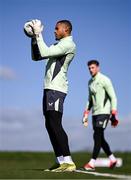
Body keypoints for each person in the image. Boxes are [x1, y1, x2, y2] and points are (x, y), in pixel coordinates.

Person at [26, 19, 76, 172]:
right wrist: (34, 39)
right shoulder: (57, 45)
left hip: (57, 89)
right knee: (49, 124)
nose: (54, 31)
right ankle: (60, 161)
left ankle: (68, 161)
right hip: (49, 88)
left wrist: (39, 34)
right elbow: (37, 56)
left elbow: (45, 52)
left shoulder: (68, 44)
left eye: (56, 28)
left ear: (65, 30)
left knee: (55, 123)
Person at [82, 60, 119, 171]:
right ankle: (112, 159)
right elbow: (89, 100)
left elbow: (113, 97)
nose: (90, 70)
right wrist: (86, 113)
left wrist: (113, 114)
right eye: (89, 68)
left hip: (104, 112)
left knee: (97, 135)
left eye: (92, 67)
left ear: (98, 68)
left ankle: (92, 162)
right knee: (99, 137)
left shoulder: (105, 80)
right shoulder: (90, 82)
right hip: (95, 114)